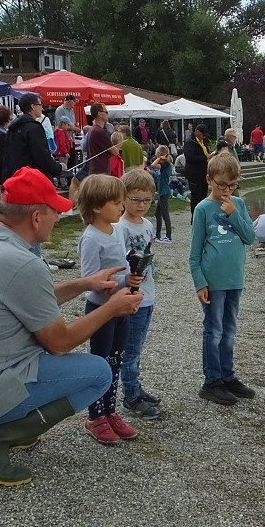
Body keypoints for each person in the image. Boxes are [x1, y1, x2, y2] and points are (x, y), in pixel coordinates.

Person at [0, 167, 142, 485]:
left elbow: (27, 300)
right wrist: (111, 309)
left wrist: (83, 283)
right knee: (97, 373)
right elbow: (59, 342)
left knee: (55, 364)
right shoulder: (23, 263)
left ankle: (17, 423)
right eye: (55, 211)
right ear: (37, 217)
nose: (59, 217)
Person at [76, 174, 142, 443]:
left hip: (120, 309)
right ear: (96, 207)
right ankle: (95, 416)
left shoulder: (116, 230)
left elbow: (123, 263)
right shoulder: (91, 238)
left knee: (116, 359)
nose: (121, 207)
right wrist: (122, 280)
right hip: (100, 310)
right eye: (116, 203)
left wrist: (133, 277)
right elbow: (91, 280)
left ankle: (111, 410)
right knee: (100, 362)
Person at [189, 154, 256, 406]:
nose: (227, 190)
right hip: (213, 283)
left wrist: (233, 214)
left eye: (232, 185)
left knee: (229, 330)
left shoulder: (237, 204)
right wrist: (199, 283)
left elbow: (250, 237)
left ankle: (228, 375)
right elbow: (194, 254)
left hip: (234, 279)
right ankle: (212, 381)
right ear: (209, 180)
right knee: (213, 331)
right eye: (222, 185)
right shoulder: (203, 209)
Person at [117, 169, 162, 420]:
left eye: (147, 200)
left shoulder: (147, 224)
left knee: (138, 346)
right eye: (136, 200)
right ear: (123, 198)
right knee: (130, 350)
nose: (142, 205)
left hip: (148, 294)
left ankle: (136, 386)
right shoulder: (120, 228)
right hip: (131, 297)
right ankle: (130, 397)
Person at [4, 91, 62, 183]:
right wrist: (57, 168)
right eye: (40, 104)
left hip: (16, 177)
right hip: (32, 178)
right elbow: (41, 155)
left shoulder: (12, 128)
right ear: (32, 106)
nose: (42, 108)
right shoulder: (33, 128)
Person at [183, 123, 211, 218]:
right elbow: (190, 157)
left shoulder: (202, 142)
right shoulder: (190, 142)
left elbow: (206, 153)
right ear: (197, 132)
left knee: (203, 196)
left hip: (203, 173)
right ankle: (195, 217)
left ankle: (202, 216)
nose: (204, 137)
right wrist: (205, 158)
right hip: (194, 174)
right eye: (202, 134)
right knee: (196, 197)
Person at [150, 144, 174, 242]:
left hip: (164, 191)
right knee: (157, 214)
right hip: (161, 191)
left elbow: (153, 165)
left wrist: (160, 158)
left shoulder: (166, 164)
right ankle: (158, 234)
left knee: (165, 214)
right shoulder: (164, 164)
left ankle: (168, 236)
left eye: (157, 155)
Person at [84, 103, 114, 177]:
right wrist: (120, 142)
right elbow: (115, 152)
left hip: (95, 170)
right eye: (106, 112)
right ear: (100, 114)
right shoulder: (99, 131)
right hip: (100, 173)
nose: (107, 114)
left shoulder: (93, 129)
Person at [54, 93, 78, 163]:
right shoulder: (60, 110)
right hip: (63, 140)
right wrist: (74, 129)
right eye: (74, 101)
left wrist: (76, 128)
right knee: (65, 162)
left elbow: (73, 123)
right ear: (70, 101)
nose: (75, 103)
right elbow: (60, 126)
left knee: (72, 161)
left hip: (71, 140)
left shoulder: (72, 110)